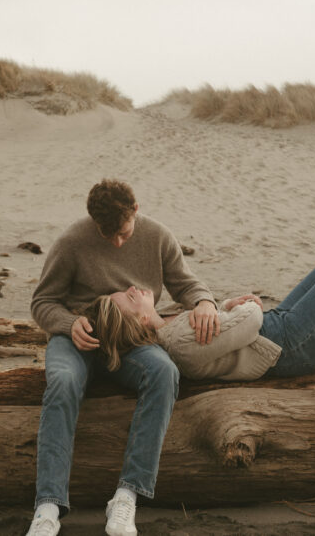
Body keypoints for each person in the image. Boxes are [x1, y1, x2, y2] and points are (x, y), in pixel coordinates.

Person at [26, 179, 220, 536]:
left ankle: (127, 496)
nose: (116, 241)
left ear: (135, 209)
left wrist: (205, 301)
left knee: (163, 371)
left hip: (131, 339)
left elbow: (186, 284)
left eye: (123, 233)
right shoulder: (72, 242)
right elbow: (42, 302)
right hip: (79, 339)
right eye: (106, 234)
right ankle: (47, 507)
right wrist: (70, 324)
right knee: (64, 381)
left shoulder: (158, 236)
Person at [85, 255, 315, 383]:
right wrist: (246, 309)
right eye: (129, 299)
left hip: (275, 331)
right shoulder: (178, 343)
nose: (134, 289)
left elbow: (225, 331)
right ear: (139, 323)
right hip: (288, 348)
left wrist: (227, 303)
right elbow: (245, 326)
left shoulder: (168, 328)